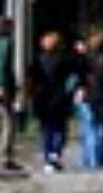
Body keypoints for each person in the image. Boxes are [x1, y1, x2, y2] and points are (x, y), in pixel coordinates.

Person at [26, 29, 77, 176]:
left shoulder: (37, 60)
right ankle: (56, 153)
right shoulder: (65, 59)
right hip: (60, 97)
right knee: (60, 128)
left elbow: (31, 78)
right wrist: (70, 92)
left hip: (42, 97)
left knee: (45, 128)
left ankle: (48, 157)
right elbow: (72, 79)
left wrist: (29, 93)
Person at [71, 30, 103, 171]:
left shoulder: (85, 59)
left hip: (87, 97)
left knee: (89, 129)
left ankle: (90, 159)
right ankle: (101, 158)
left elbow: (76, 73)